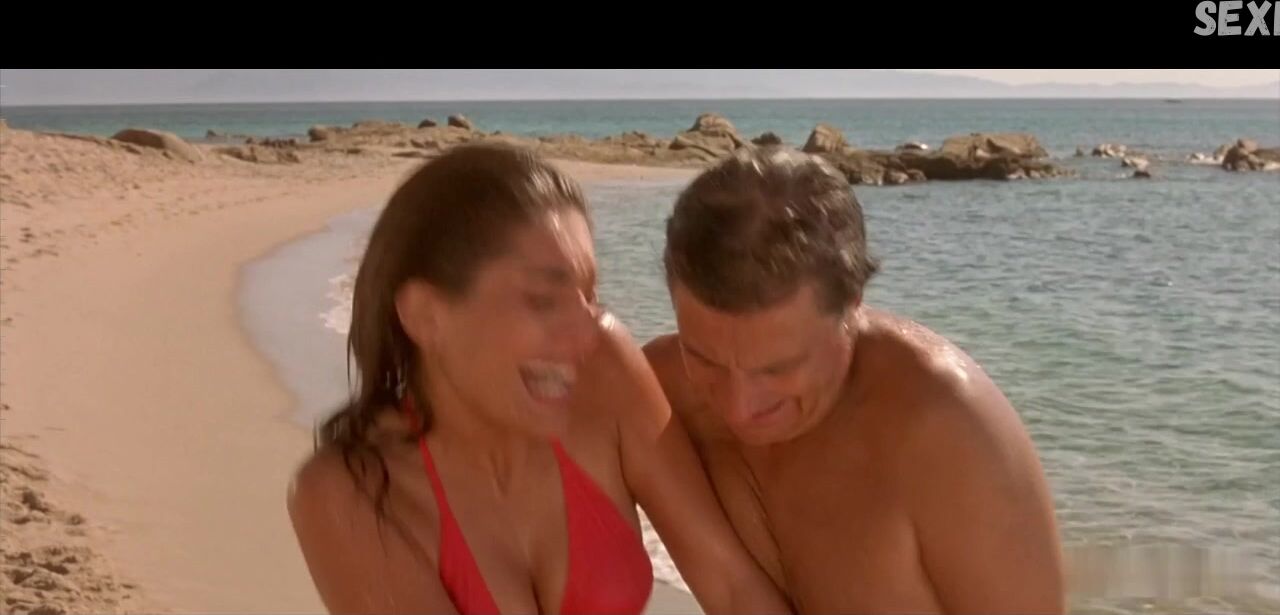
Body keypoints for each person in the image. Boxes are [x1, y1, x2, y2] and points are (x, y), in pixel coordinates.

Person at [287, 143, 790, 615]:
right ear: (426, 316)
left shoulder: (606, 370)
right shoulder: (353, 493)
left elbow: (732, 586)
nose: (586, 334)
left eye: (589, 296)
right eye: (543, 300)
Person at [642, 147, 1066, 614]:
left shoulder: (945, 430)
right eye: (704, 359)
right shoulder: (655, 395)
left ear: (852, 304)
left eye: (778, 368)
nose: (739, 407)